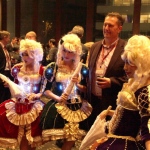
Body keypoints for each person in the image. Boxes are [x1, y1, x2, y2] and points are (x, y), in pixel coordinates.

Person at [80, 35, 150, 150]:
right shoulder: (133, 82)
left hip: (125, 144)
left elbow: (146, 127)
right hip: (114, 138)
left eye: (130, 63)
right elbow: (129, 114)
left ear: (142, 63)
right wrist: (109, 113)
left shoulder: (145, 91)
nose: (125, 67)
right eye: (125, 62)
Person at [40, 33, 92, 150]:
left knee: (71, 139)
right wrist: (57, 98)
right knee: (62, 138)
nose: (67, 54)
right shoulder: (53, 67)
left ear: (76, 52)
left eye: (70, 51)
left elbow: (86, 90)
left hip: (78, 107)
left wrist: (78, 85)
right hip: (59, 107)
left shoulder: (82, 68)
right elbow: (46, 90)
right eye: (65, 50)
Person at [0, 39, 45, 150]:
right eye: (23, 54)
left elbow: (43, 90)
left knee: (32, 139)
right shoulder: (17, 69)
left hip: (34, 105)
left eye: (28, 55)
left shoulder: (42, 70)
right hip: (18, 104)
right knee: (21, 138)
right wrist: (9, 85)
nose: (24, 57)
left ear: (35, 55)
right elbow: (15, 85)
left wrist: (38, 95)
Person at [87, 12, 127, 127]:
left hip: (112, 103)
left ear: (119, 28)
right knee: (90, 137)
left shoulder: (126, 48)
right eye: (105, 25)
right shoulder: (95, 47)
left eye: (110, 25)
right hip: (92, 102)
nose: (106, 28)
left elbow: (130, 78)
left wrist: (111, 82)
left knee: (107, 138)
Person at [0, 30, 12, 103]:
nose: (9, 39)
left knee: (6, 95)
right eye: (8, 38)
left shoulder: (5, 48)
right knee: (2, 95)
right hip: (2, 73)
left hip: (7, 73)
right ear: (4, 37)